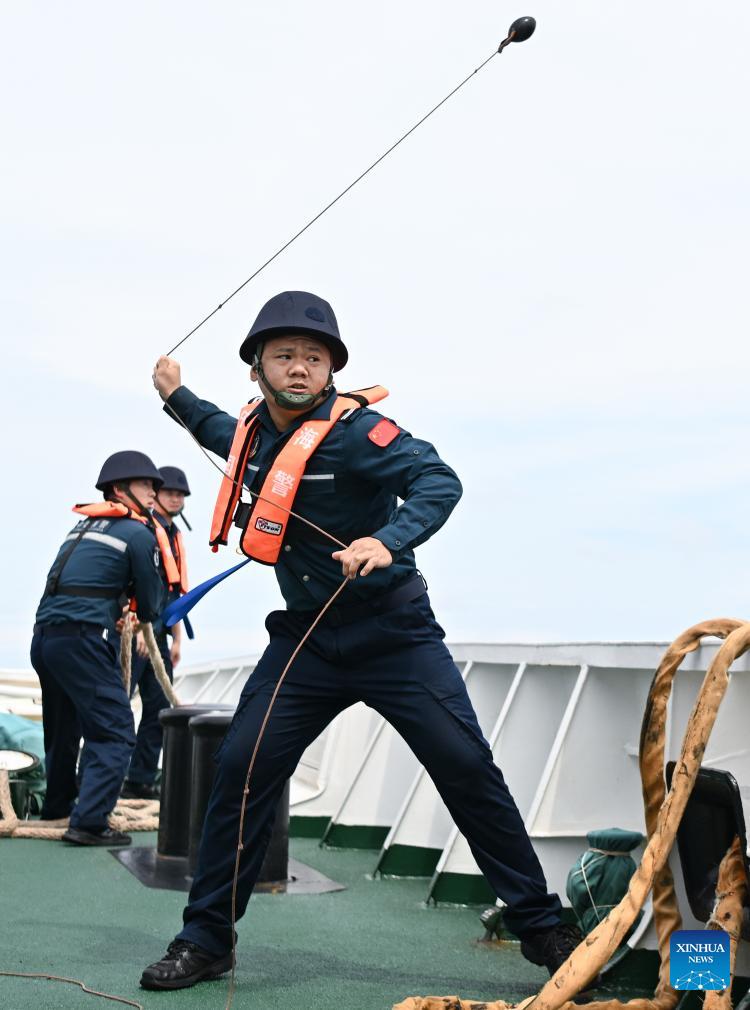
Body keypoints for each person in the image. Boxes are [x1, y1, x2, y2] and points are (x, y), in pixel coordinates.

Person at [142, 290, 580, 989]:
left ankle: (543, 927)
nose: (299, 367)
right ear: (256, 368)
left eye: (314, 358)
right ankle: (207, 939)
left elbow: (439, 479)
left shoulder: (359, 434)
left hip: (394, 633)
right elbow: (212, 425)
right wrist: (174, 392)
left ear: (331, 372)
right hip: (307, 642)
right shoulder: (252, 436)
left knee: (465, 767)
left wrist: (387, 537)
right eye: (283, 355)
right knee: (242, 768)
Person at [31, 451, 166, 846]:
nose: (154, 494)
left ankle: (57, 807)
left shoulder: (82, 526)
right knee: (117, 731)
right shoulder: (139, 534)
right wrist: (135, 609)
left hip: (45, 638)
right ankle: (89, 823)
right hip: (81, 639)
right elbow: (152, 600)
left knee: (63, 727)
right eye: (147, 486)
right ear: (120, 490)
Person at [122, 466, 191, 800]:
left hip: (160, 635)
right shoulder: (142, 529)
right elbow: (133, 583)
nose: (176, 498)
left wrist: (177, 639)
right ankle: (100, 778)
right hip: (137, 632)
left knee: (160, 709)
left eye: (180, 494)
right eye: (169, 493)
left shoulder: (173, 534)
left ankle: (140, 779)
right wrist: (136, 627)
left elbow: (174, 591)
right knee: (118, 704)